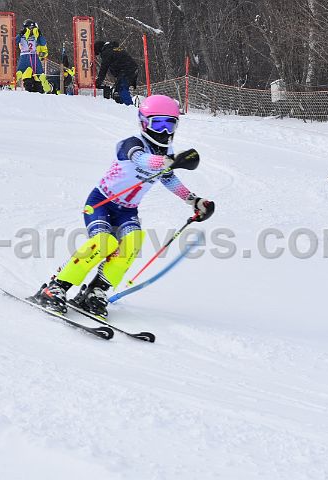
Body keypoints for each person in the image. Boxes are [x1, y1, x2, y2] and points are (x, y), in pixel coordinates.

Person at [32, 95, 215, 316]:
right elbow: (140, 159)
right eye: (158, 124)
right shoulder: (131, 143)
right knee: (103, 243)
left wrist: (194, 201)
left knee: (133, 243)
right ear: (144, 123)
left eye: (170, 124)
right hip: (102, 202)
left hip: (127, 211)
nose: (164, 131)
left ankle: (96, 291)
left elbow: (169, 179)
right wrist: (170, 161)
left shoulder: (166, 153)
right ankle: (57, 287)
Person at [94, 40, 138, 106]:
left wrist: (98, 82)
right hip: (131, 69)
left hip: (126, 71)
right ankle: (122, 107)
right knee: (117, 91)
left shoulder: (107, 52)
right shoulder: (113, 48)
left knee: (121, 89)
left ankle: (129, 107)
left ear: (99, 48)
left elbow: (104, 68)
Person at [15, 19, 48, 93]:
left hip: (34, 56)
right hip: (25, 55)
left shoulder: (35, 35)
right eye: (30, 28)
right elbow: (14, 42)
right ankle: (10, 85)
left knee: (40, 74)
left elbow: (43, 43)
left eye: (33, 28)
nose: (31, 30)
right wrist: (20, 34)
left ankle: (47, 89)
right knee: (19, 72)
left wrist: (40, 35)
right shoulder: (22, 36)